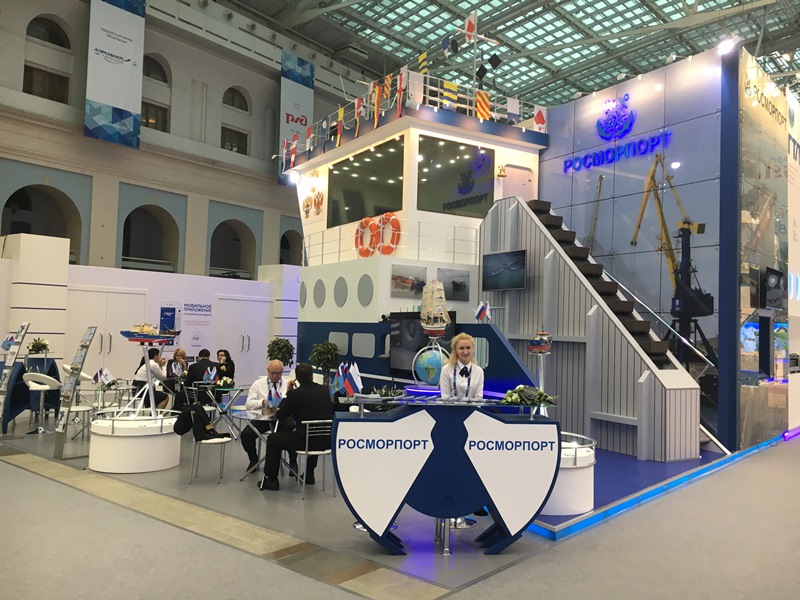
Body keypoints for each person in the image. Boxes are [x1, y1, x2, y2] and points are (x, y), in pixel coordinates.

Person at [259, 362, 333, 491]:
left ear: (296, 378)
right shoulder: (324, 391)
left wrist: (287, 393)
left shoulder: (295, 394)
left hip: (305, 442)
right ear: (312, 376)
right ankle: (309, 474)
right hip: (326, 441)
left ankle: (271, 480)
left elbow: (280, 415)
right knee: (313, 431)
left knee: (273, 439)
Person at [240, 359, 295, 472]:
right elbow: (248, 405)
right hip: (263, 418)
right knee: (246, 435)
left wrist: (288, 393)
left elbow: (294, 404)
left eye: (278, 373)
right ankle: (253, 459)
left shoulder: (288, 384)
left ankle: (293, 462)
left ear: (282, 372)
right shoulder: (258, 384)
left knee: (293, 433)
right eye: (272, 373)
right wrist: (263, 402)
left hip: (283, 418)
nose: (275, 376)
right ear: (267, 371)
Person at [439, 333, 484, 400]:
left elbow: (478, 398)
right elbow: (445, 397)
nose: (465, 352)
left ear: (473, 349)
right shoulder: (446, 370)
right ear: (455, 350)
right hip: (451, 406)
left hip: (473, 407)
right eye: (461, 348)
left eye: (468, 348)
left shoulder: (479, 371)